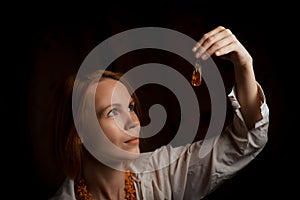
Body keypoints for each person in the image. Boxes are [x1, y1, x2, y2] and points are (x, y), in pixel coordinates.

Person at [48, 26, 269, 200]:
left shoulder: (159, 173)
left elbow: (245, 140)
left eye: (131, 108)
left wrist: (244, 66)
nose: (133, 122)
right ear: (80, 134)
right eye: (113, 112)